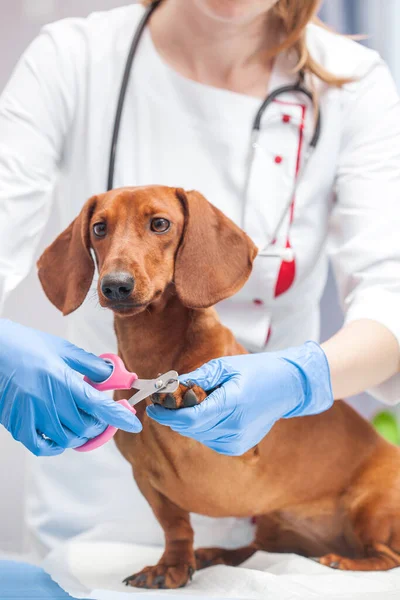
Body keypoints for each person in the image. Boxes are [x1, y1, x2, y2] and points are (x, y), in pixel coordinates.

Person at [0, 0, 399, 556]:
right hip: (101, 497)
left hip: (289, 491)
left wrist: (302, 378)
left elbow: (393, 291)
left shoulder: (355, 83)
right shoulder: (74, 57)